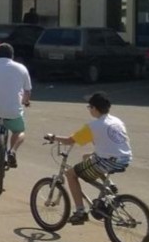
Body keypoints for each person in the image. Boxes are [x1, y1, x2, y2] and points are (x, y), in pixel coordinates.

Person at [44, 92, 131, 225]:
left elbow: (69, 141)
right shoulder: (117, 121)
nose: (89, 109)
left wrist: (53, 137)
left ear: (95, 109)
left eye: (89, 107)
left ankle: (80, 212)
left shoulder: (93, 126)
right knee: (86, 157)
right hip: (124, 159)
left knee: (70, 174)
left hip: (107, 162)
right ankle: (109, 185)